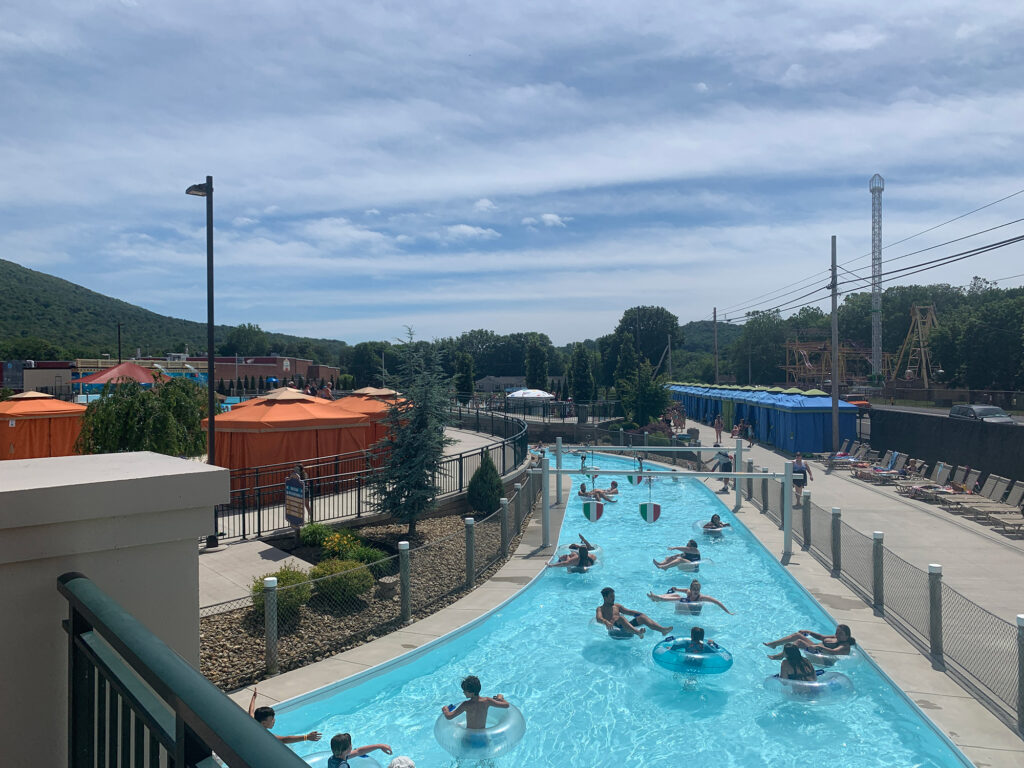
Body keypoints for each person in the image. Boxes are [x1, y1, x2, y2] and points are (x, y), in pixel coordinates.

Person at [596, 587, 672, 638]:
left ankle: (662, 630)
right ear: (605, 598)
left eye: (614, 596)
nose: (613, 598)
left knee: (642, 617)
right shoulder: (600, 609)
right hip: (616, 632)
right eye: (611, 597)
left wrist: (640, 614)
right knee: (620, 618)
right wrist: (606, 622)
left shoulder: (617, 606)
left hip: (626, 628)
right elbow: (598, 618)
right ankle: (638, 632)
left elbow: (629, 612)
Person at [248, 690, 321, 744]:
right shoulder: (263, 734)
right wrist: (307, 737)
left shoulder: (253, 720)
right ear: (263, 723)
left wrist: (254, 698)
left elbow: (251, 711)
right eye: (272, 719)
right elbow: (284, 740)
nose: (274, 720)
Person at [441, 675, 510, 730]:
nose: (463, 692)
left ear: (471, 692)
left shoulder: (466, 705)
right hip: (482, 735)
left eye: (465, 691)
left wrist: (445, 710)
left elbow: (449, 716)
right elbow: (506, 705)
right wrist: (500, 698)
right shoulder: (487, 701)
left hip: (470, 737)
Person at [764, 624, 856, 659]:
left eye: (840, 633)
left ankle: (781, 656)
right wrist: (809, 632)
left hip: (821, 654)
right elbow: (821, 637)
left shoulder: (845, 645)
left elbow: (833, 652)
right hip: (816, 647)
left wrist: (819, 647)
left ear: (847, 636)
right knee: (797, 635)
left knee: (799, 642)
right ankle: (774, 644)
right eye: (837, 632)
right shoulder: (835, 637)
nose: (837, 634)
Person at [646, 579, 734, 614]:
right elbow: (684, 590)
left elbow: (717, 602)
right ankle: (657, 597)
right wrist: (676, 589)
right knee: (676, 595)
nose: (696, 591)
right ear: (691, 590)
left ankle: (659, 598)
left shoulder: (701, 597)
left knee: (680, 598)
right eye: (694, 590)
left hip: (693, 613)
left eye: (698, 590)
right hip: (686, 608)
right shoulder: (688, 592)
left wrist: (728, 612)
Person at [325, 733, 392, 767]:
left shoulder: (332, 759)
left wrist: (379, 746)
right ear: (346, 750)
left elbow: (358, 751)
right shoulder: (343, 765)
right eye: (350, 744)